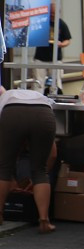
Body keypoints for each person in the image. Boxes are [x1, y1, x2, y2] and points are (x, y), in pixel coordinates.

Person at [0, 86, 56, 233]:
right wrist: (37, 181)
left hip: (12, 113)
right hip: (43, 113)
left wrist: (10, 177)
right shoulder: (40, 98)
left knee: (3, 168)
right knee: (40, 170)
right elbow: (53, 155)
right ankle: (44, 220)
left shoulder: (4, 101)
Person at [32, 6, 70, 91]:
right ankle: (37, 100)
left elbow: (67, 40)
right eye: (51, 13)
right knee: (38, 82)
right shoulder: (42, 22)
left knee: (56, 83)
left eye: (54, 13)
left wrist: (61, 44)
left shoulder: (61, 24)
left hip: (56, 58)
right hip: (40, 58)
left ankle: (55, 99)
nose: (52, 15)